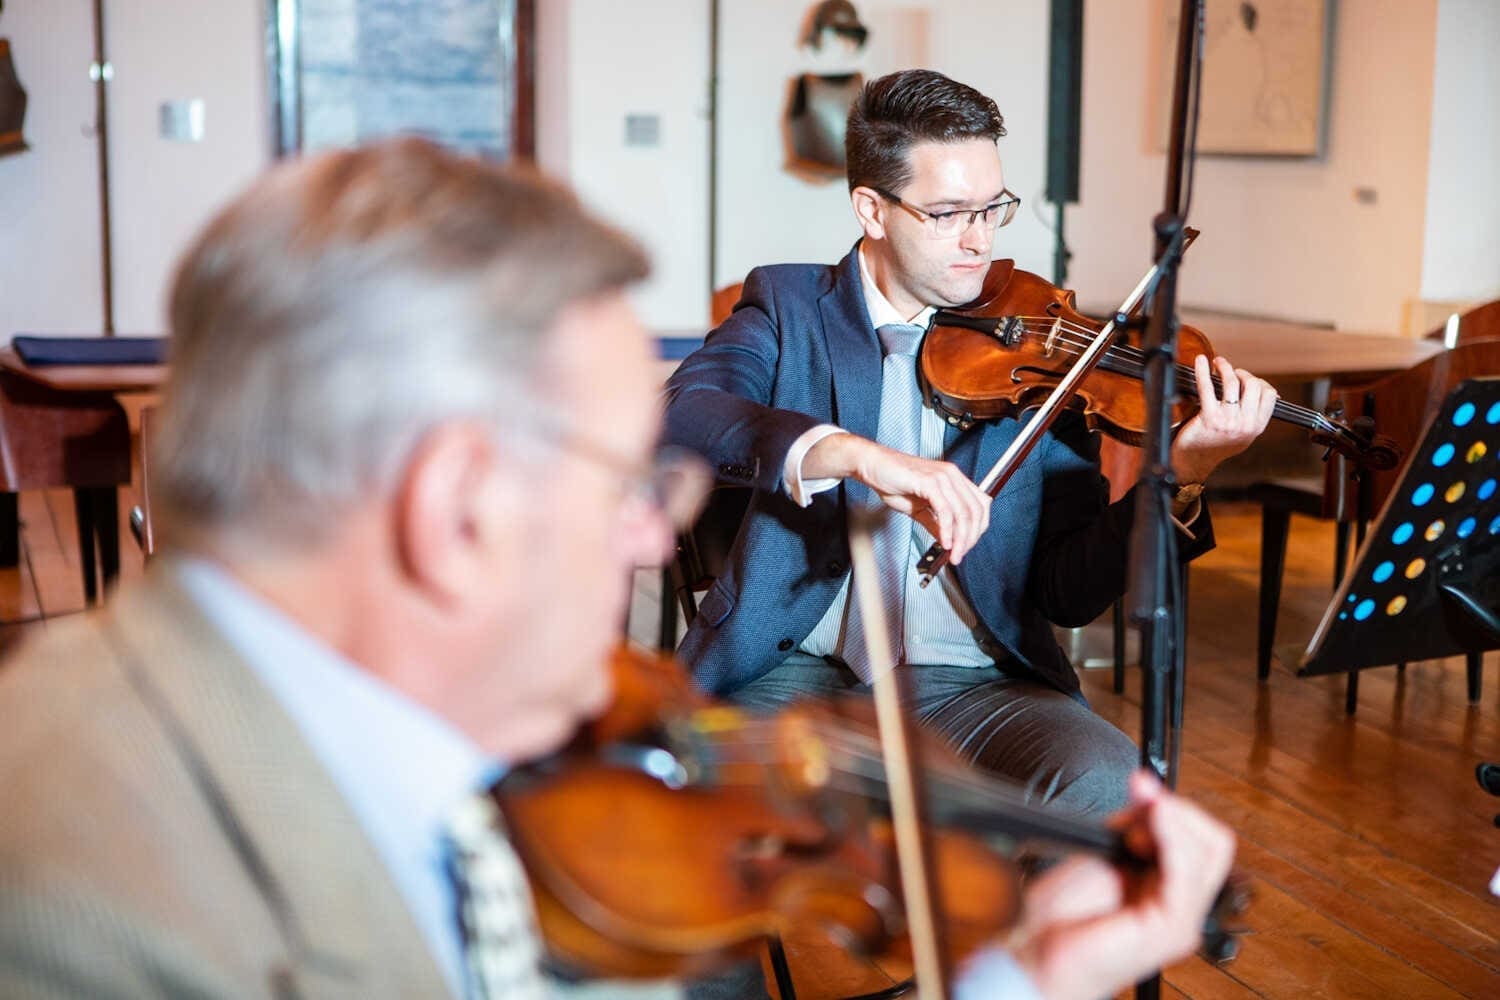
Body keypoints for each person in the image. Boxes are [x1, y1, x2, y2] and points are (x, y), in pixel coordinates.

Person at [0, 138, 1232, 999]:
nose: (656, 541)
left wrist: (1027, 973)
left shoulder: (440, 741)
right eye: (626, 488)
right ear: (454, 508)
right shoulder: (86, 911)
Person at [665, 69, 1277, 818]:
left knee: (1110, 784)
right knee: (708, 814)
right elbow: (685, 413)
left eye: (993, 208)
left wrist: (1182, 472)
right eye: (949, 213)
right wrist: (854, 454)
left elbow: (1068, 593)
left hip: (974, 687)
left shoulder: (1041, 349)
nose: (980, 239)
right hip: (788, 680)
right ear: (872, 209)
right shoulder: (789, 307)